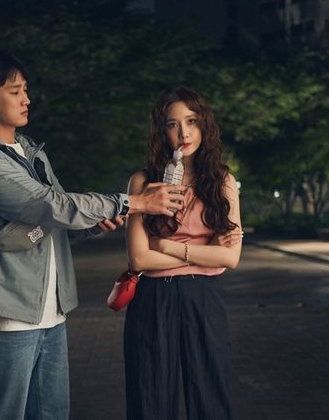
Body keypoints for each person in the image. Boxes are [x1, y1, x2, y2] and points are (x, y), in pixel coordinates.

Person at [0, 49, 185, 420]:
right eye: (15, 91)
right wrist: (131, 203)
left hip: (51, 312)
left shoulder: (31, 152)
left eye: (26, 89)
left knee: (54, 414)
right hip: (9, 315)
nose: (27, 99)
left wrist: (93, 223)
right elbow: (51, 206)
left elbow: (57, 218)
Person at [124, 86, 243, 420]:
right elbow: (139, 259)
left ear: (204, 124)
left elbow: (230, 257)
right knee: (150, 398)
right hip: (152, 298)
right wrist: (206, 251)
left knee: (210, 398)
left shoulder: (222, 181)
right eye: (172, 124)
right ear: (161, 130)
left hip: (203, 297)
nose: (184, 133)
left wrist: (166, 246)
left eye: (191, 121)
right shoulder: (142, 182)